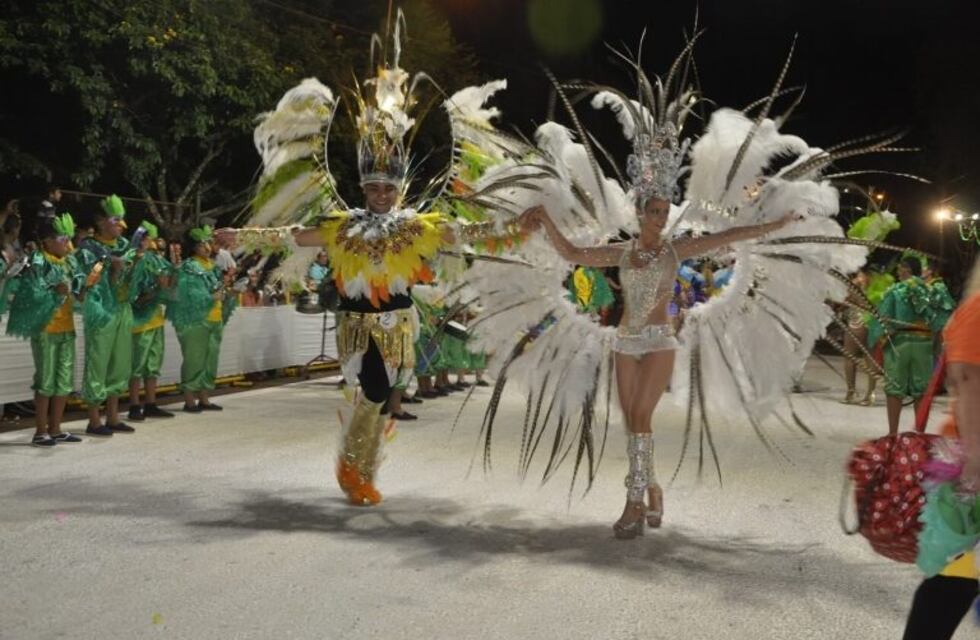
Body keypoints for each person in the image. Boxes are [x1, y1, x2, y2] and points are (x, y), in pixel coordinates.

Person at [521, 201, 798, 537]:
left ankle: (633, 502)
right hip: (625, 342)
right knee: (633, 422)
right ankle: (653, 489)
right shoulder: (621, 252)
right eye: (654, 211)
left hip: (659, 342)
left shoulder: (675, 251)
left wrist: (778, 222)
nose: (661, 218)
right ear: (640, 215)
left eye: (665, 212)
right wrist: (547, 217)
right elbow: (573, 253)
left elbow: (733, 234)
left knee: (640, 415)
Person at [902, 258, 980, 640]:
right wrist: (973, 477)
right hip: (972, 472)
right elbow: (969, 389)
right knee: (953, 581)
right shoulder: (978, 311)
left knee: (956, 582)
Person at [4, 214, 86, 446]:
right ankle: (41, 431)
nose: (68, 244)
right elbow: (29, 295)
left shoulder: (70, 262)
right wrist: (55, 292)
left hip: (66, 328)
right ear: (48, 241)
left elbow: (78, 295)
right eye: (63, 238)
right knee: (45, 380)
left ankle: (57, 428)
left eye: (69, 238)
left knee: (64, 381)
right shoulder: (38, 260)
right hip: (45, 329)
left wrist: (82, 291)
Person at [868, 256, 954, 435]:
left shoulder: (896, 290)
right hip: (923, 344)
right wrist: (932, 333)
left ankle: (892, 434)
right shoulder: (932, 290)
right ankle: (920, 435)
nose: (898, 272)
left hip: (900, 344)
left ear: (907, 269)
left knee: (894, 389)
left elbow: (883, 321)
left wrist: (876, 338)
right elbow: (943, 315)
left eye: (900, 268)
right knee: (921, 390)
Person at [76, 195, 135, 436]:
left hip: (122, 309)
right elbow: (88, 280)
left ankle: (113, 416)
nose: (120, 225)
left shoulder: (124, 246)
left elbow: (131, 278)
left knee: (119, 364)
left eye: (122, 220)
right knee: (98, 362)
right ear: (101, 221)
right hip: (100, 310)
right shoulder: (88, 247)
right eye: (116, 220)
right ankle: (94, 420)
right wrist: (109, 266)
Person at [167, 226, 235, 413]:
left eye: (208, 242)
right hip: (196, 320)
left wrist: (225, 290)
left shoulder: (212, 266)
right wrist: (211, 297)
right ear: (195, 247)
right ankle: (189, 400)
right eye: (203, 243)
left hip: (214, 318)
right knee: (194, 358)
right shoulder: (189, 266)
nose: (207, 246)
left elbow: (217, 289)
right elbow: (190, 294)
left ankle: (204, 398)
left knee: (210, 358)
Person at [127, 221, 176, 421]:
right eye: (146, 239)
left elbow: (170, 283)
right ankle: (133, 405)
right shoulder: (130, 259)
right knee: (137, 365)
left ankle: (151, 403)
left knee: (153, 364)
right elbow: (132, 294)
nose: (149, 243)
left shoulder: (155, 260)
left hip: (155, 318)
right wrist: (154, 290)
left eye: (150, 239)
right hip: (139, 320)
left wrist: (175, 268)